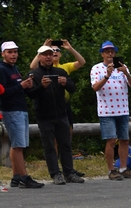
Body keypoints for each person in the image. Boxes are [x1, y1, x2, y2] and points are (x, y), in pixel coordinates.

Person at [27, 45, 84, 184]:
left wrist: (65, 83)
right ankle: (55, 174)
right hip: (44, 116)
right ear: (39, 57)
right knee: (49, 147)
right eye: (45, 55)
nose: (48, 57)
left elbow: (73, 88)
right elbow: (30, 94)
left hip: (61, 114)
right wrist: (42, 86)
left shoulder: (60, 71)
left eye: (50, 54)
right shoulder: (34, 74)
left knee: (66, 145)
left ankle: (69, 172)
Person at [90, 40, 131, 181]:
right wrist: (107, 75)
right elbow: (95, 87)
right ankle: (111, 170)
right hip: (106, 111)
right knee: (111, 140)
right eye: (107, 52)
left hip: (122, 109)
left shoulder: (122, 67)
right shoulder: (96, 68)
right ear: (102, 54)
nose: (110, 54)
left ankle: (123, 168)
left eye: (112, 51)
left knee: (124, 140)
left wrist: (126, 73)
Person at [0, 41, 45, 188]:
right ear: (3, 54)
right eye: (9, 52)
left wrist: (28, 86)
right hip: (11, 110)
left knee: (18, 144)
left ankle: (16, 177)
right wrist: (20, 86)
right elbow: (3, 93)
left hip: (21, 109)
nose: (13, 55)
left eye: (15, 52)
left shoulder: (14, 68)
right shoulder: (2, 69)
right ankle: (25, 178)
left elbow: (19, 88)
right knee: (18, 145)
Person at [30, 39, 86, 130]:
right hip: (47, 105)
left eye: (57, 50)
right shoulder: (43, 68)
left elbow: (82, 62)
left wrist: (70, 48)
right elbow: (32, 66)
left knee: (68, 131)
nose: (55, 52)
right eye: (53, 50)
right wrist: (43, 47)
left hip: (64, 104)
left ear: (60, 54)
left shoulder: (64, 67)